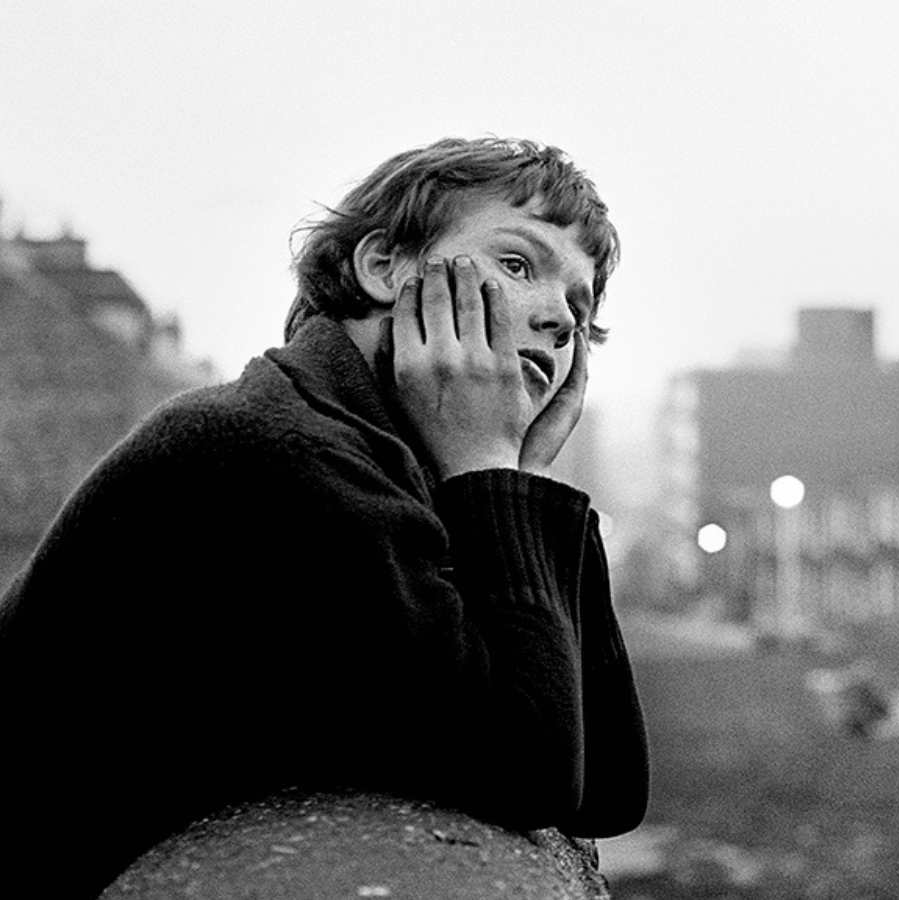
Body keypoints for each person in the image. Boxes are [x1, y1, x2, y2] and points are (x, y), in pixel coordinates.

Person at [0, 137, 649, 897]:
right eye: (516, 264)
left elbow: (607, 784)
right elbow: (529, 771)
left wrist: (525, 474)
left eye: (579, 306)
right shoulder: (274, 449)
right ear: (382, 268)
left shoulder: (378, 458)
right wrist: (490, 463)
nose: (559, 320)